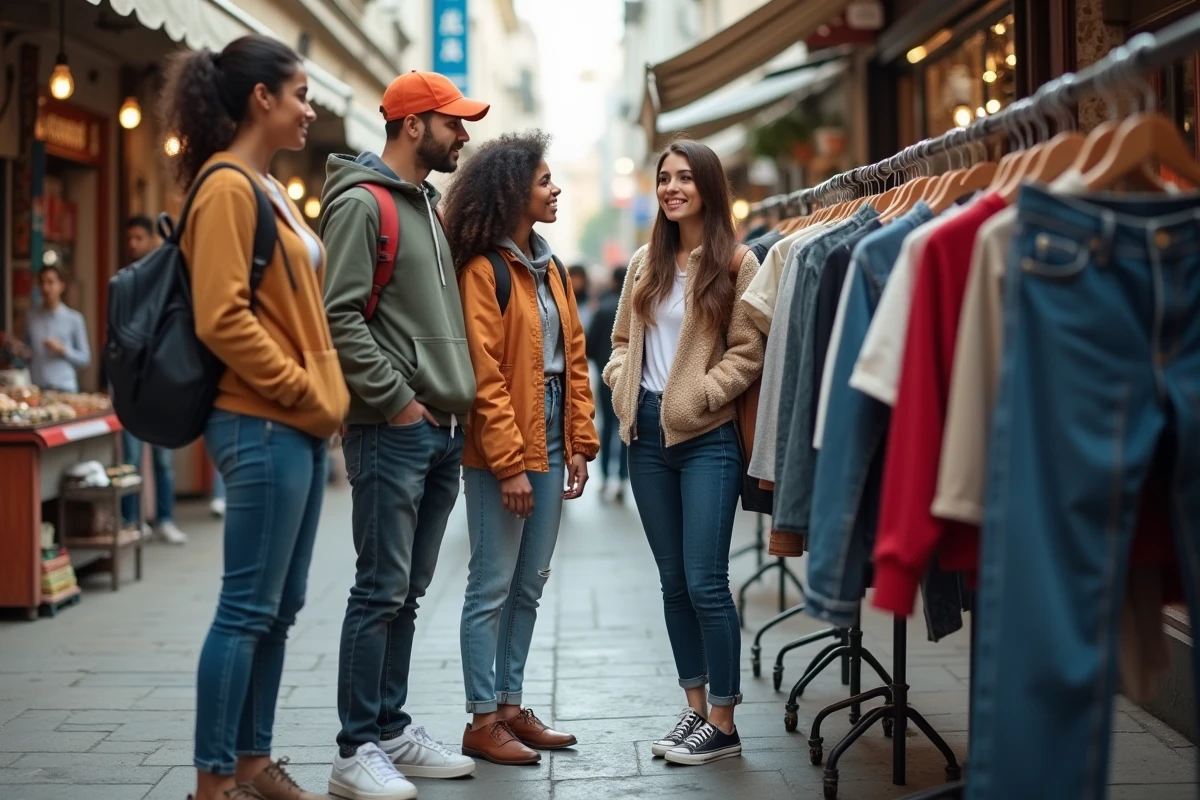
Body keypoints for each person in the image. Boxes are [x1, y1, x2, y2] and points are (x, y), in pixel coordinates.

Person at [160, 34, 350, 800]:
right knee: (245, 608)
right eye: (300, 93)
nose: (311, 108)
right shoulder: (228, 188)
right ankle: (213, 782)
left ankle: (251, 762)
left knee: (279, 606)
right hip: (262, 421)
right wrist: (308, 390)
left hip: (295, 427)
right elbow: (222, 319)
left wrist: (318, 403)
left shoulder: (266, 186)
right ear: (261, 98)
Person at [320, 70, 487, 799]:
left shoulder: (426, 204)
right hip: (396, 429)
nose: (464, 135)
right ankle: (354, 749)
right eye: (453, 123)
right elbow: (340, 315)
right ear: (413, 125)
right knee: (380, 589)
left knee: (408, 591)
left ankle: (389, 728)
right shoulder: (363, 205)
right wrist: (394, 402)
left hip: (440, 430)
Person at [602, 139, 764, 766]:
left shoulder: (737, 264)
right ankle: (694, 709)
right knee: (672, 584)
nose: (671, 188)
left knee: (706, 582)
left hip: (707, 440)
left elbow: (748, 350)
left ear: (708, 187)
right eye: (664, 178)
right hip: (645, 435)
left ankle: (723, 720)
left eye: (684, 178)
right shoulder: (646, 261)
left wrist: (703, 393)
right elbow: (619, 341)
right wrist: (622, 380)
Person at [444, 131, 599, 765]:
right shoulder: (484, 271)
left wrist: (582, 442)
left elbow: (577, 359)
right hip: (501, 442)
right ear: (513, 193)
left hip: (552, 428)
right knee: (491, 583)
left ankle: (509, 705)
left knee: (530, 581)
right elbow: (484, 375)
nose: (555, 188)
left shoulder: (552, 266)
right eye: (543, 181)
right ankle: (482, 717)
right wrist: (509, 464)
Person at [120, 216, 187, 545]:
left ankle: (165, 518)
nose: (133, 243)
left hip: (161, 380)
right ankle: (131, 521)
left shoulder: (166, 277)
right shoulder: (125, 280)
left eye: (138, 237)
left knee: (163, 457)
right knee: (130, 457)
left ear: (151, 240)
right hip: (131, 381)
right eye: (128, 238)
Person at [585, 266, 628, 502]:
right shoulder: (633, 307)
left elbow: (588, 345)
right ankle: (622, 478)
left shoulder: (602, 309)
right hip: (631, 378)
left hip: (606, 375)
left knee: (607, 427)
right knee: (625, 428)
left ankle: (603, 478)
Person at [23, 266, 90, 393]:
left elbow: (85, 359)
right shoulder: (30, 318)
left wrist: (63, 350)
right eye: (42, 282)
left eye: (50, 282)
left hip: (66, 389)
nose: (46, 288)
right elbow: (27, 354)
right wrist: (20, 351)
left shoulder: (74, 319)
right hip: (38, 390)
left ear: (61, 285)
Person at [568, 264, 593, 334]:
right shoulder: (564, 300)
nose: (576, 282)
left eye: (579, 278)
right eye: (573, 277)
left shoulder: (590, 303)